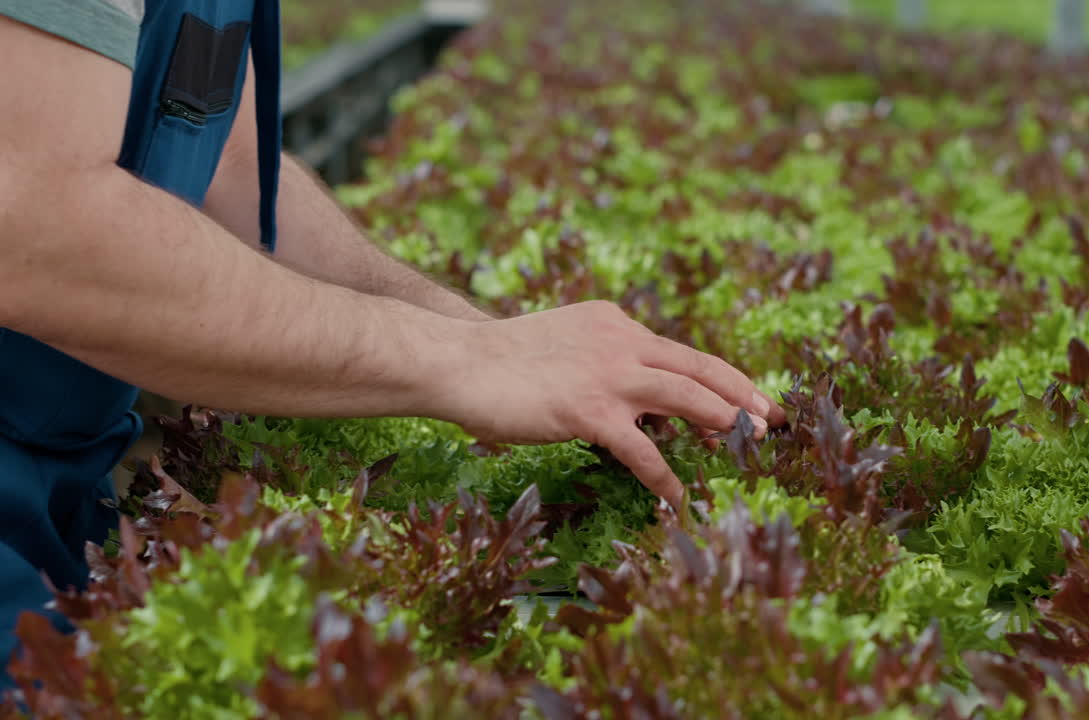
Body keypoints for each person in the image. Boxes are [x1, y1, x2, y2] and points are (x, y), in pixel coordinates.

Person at [0, 0, 783, 692]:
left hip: (62, 484)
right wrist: (463, 363)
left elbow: (228, 169)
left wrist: (483, 337)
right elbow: (37, 229)